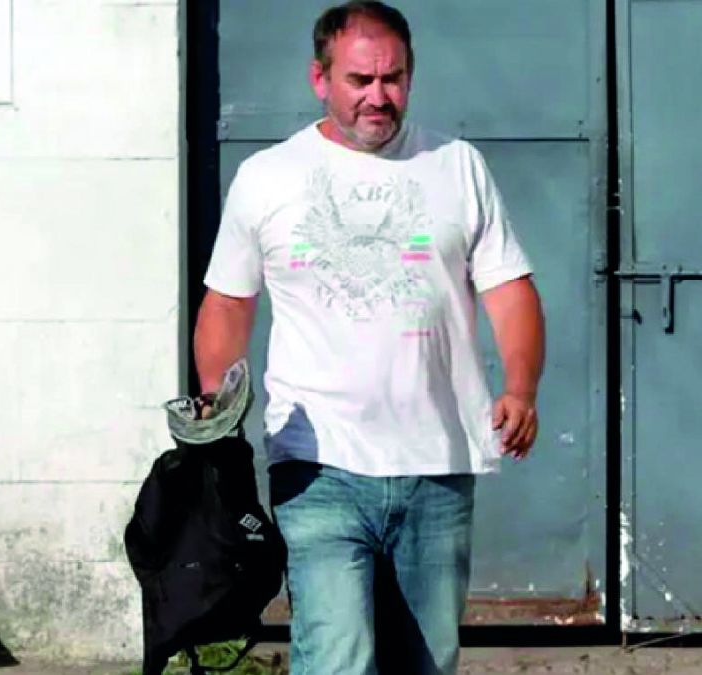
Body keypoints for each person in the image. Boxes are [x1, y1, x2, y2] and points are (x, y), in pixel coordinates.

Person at [193, 2, 545, 673]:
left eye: (393, 78)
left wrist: (521, 387)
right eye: (360, 80)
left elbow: (510, 289)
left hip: (438, 464)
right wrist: (218, 408)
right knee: (338, 658)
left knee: (425, 663)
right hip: (317, 465)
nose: (378, 97)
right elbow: (229, 303)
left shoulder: (457, 166)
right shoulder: (268, 176)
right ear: (319, 78)